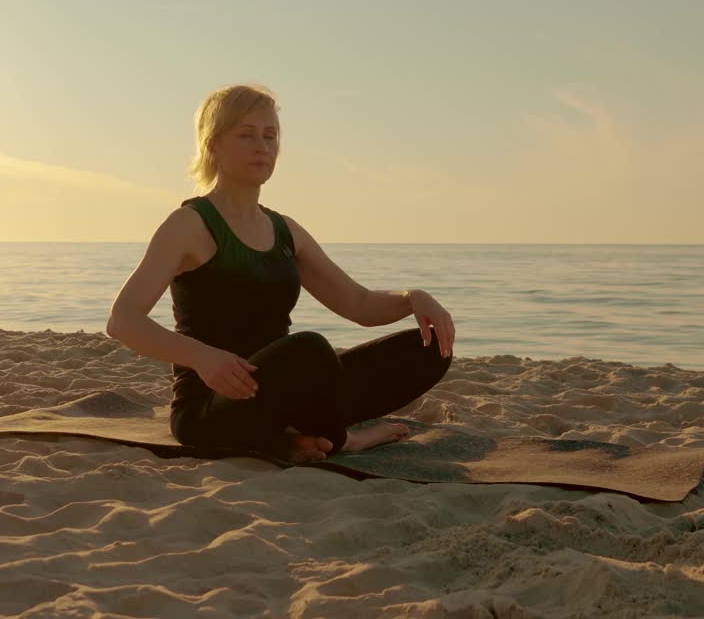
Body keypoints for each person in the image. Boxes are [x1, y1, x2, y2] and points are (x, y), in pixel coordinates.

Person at [106, 83, 455, 464]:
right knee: (309, 349)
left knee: (429, 348)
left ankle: (293, 434)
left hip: (286, 391)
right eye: (246, 135)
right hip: (213, 407)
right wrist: (204, 358)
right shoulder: (189, 224)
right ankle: (341, 439)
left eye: (270, 136)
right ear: (213, 146)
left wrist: (412, 298)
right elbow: (123, 321)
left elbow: (359, 304)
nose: (262, 146)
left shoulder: (285, 230)